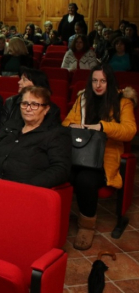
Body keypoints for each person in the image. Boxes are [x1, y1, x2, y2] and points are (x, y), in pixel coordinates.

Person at [62, 64, 137, 250]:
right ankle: (54, 217)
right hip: (79, 153)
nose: (98, 85)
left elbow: (130, 131)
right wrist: (76, 127)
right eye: (94, 80)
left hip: (103, 160)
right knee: (60, 172)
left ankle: (87, 226)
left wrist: (102, 127)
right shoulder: (83, 99)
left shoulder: (122, 102)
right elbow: (65, 124)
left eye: (103, 81)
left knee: (85, 180)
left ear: (109, 82)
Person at [0, 86, 72, 188]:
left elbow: (60, 169)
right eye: (24, 103)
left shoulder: (56, 133)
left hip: (25, 190)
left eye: (35, 104)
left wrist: (26, 186)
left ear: (46, 109)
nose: (28, 108)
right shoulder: (10, 125)